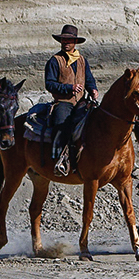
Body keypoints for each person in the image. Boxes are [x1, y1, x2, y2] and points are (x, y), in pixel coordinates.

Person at [44, 24, 93, 176]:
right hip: (63, 102)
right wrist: (69, 88)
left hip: (81, 102)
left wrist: (94, 89)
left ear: (75, 42)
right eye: (64, 40)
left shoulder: (82, 60)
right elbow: (49, 84)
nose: (66, 42)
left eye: (69, 40)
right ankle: (60, 158)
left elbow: (89, 79)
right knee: (61, 125)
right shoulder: (54, 61)